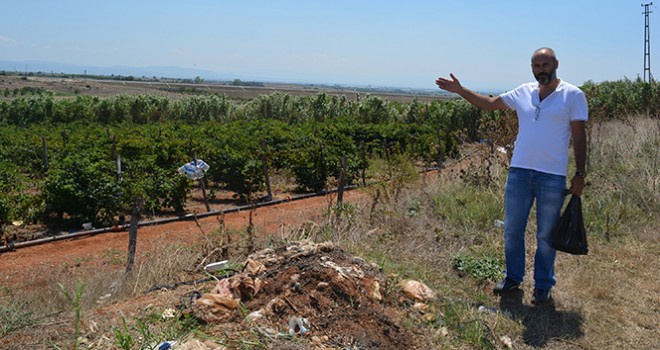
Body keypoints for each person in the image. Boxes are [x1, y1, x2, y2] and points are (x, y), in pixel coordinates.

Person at [435, 47, 587, 304]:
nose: (541, 69)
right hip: (519, 172)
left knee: (546, 235)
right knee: (512, 230)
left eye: (545, 64)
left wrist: (580, 173)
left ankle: (543, 285)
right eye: (537, 65)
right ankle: (513, 278)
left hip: (552, 176)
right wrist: (461, 91)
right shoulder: (524, 92)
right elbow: (491, 104)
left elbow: (580, 136)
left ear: (556, 64)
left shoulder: (573, 95)